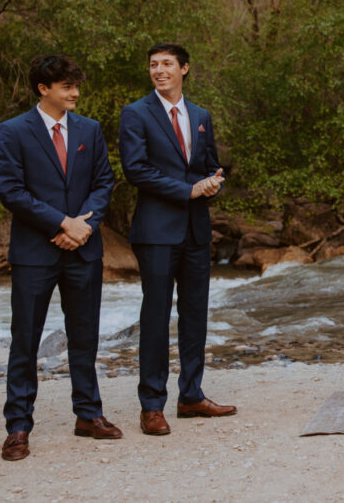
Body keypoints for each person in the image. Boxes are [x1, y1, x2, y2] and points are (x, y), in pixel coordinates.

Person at [0, 55, 119, 461]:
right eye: (67, 87)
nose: (75, 93)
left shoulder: (90, 129)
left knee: (84, 337)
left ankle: (88, 415)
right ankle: (17, 427)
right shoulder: (12, 131)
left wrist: (82, 226)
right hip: (35, 252)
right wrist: (60, 225)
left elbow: (104, 181)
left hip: (84, 250)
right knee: (25, 341)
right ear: (43, 89)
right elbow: (11, 192)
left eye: (76, 85)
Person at [119, 43, 233, 436]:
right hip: (155, 232)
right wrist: (189, 191)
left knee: (195, 315)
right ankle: (152, 405)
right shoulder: (135, 113)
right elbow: (136, 170)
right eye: (153, 64)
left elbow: (208, 165)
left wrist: (213, 184)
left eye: (167, 64)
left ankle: (191, 396)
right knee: (155, 317)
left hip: (196, 231)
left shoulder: (201, 115)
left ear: (184, 68)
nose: (159, 70)